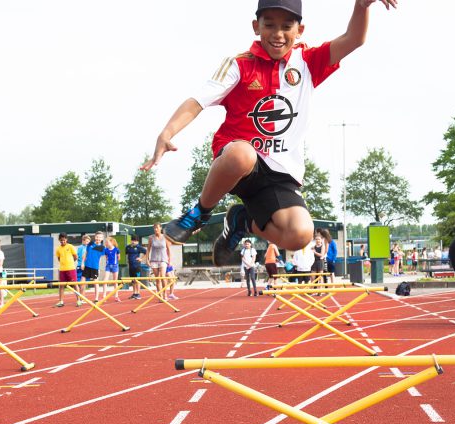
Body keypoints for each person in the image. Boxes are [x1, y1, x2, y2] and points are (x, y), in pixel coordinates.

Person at [141, 0, 398, 267]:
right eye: (270, 25)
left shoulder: (308, 62)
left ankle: (241, 221)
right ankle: (199, 214)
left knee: (300, 234)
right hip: (238, 163)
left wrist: (361, 6)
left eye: (286, 26)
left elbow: (354, 39)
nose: (278, 34)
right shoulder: (239, 65)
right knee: (243, 155)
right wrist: (167, 132)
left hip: (280, 172)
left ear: (299, 30)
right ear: (256, 27)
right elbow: (197, 101)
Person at [148, 224, 172, 301]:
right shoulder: (151, 238)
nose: (155, 229)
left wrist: (169, 260)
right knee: (157, 279)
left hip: (163, 259)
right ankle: (160, 295)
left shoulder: (165, 237)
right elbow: (148, 249)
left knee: (162, 276)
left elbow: (168, 249)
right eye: (154, 228)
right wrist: (147, 260)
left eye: (157, 228)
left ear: (160, 228)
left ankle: (165, 294)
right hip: (154, 260)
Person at [80, 231, 105, 302]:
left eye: (100, 237)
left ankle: (96, 298)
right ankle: (81, 298)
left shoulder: (102, 248)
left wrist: (98, 268)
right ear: (95, 237)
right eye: (97, 237)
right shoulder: (90, 244)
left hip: (95, 267)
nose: (98, 238)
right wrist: (82, 263)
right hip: (87, 266)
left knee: (95, 283)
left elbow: (100, 258)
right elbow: (85, 254)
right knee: (82, 283)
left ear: (102, 238)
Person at [54, 233, 78, 307]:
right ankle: (61, 301)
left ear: (66, 239)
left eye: (64, 240)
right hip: (62, 270)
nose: (63, 242)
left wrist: (70, 263)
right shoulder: (58, 249)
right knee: (61, 286)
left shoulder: (70, 246)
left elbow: (75, 257)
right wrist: (63, 264)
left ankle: (79, 300)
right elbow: (59, 258)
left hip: (71, 269)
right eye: (61, 240)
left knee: (74, 284)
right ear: (59, 240)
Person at [125, 235, 147, 300]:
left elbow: (146, 252)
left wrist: (141, 259)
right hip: (131, 266)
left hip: (137, 266)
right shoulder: (128, 247)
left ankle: (138, 293)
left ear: (137, 241)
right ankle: (134, 293)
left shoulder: (139, 247)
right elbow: (126, 254)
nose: (133, 242)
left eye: (135, 241)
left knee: (137, 280)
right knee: (133, 280)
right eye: (132, 240)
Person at [103, 237, 121, 302]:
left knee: (115, 281)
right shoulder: (106, 250)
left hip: (115, 266)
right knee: (105, 280)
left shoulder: (116, 249)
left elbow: (119, 258)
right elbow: (106, 257)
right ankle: (104, 296)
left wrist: (114, 262)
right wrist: (108, 262)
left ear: (111, 242)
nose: (106, 243)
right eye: (106, 242)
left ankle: (116, 296)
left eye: (107, 242)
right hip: (108, 266)